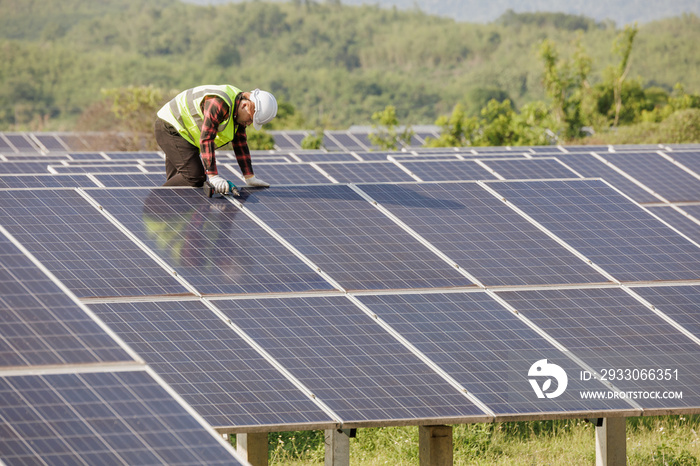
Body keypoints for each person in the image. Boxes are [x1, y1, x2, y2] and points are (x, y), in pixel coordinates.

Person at [154, 85, 277, 194]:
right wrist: (213, 176)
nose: (249, 123)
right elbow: (207, 138)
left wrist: (249, 177)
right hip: (170, 127)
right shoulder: (219, 103)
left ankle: (168, 212)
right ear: (245, 105)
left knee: (179, 181)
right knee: (194, 177)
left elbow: (240, 143)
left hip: (184, 135)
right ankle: (159, 202)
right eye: (250, 119)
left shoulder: (238, 111)